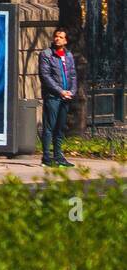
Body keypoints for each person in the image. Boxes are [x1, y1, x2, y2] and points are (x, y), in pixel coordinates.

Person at [37, 27, 78, 168]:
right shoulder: (46, 54)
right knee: (49, 127)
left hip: (66, 97)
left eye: (61, 37)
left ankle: (59, 156)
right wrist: (60, 91)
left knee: (60, 128)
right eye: (56, 36)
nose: (57, 39)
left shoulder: (69, 56)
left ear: (65, 40)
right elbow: (45, 76)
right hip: (53, 97)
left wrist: (71, 91)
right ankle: (46, 157)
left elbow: (73, 75)